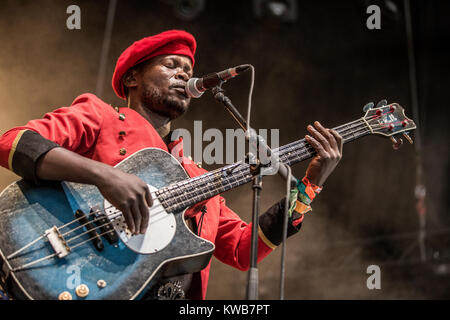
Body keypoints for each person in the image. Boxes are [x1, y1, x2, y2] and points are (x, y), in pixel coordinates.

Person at [0, 30, 343, 300]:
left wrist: (310, 185)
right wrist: (105, 176)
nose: (184, 75)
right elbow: (13, 142)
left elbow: (243, 249)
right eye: (171, 66)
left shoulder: (198, 178)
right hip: (70, 270)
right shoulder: (101, 116)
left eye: (189, 71)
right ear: (132, 78)